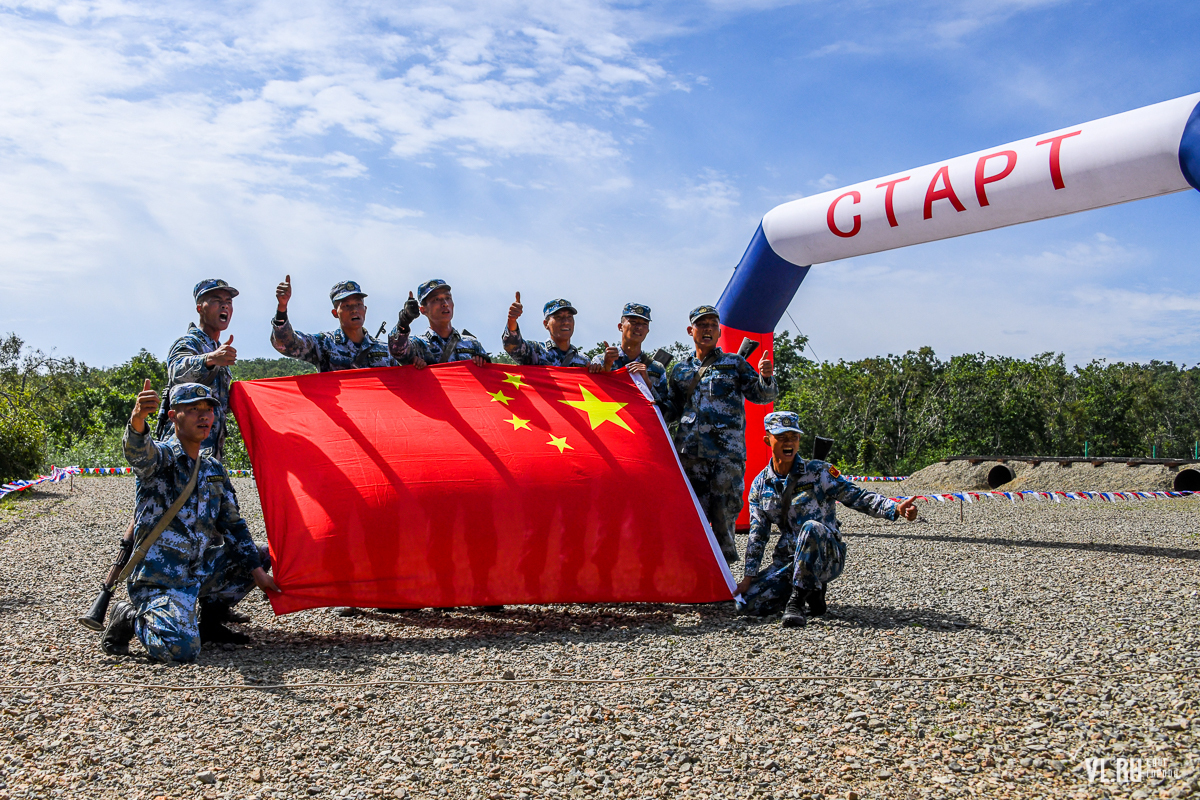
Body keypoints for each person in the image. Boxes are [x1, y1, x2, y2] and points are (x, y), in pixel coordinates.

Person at [102, 382, 280, 661]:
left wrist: (258, 575)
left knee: (258, 554)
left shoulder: (213, 469)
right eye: (194, 409)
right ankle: (131, 616)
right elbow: (139, 452)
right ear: (173, 416)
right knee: (181, 649)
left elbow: (233, 526)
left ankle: (209, 623)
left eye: (208, 409)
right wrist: (138, 419)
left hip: (196, 571)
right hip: (159, 580)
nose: (204, 416)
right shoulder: (162, 459)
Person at [736, 411, 918, 627]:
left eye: (793, 437)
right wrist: (749, 577)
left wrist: (895, 508)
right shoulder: (760, 485)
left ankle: (797, 601)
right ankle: (812, 591)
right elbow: (758, 535)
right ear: (768, 440)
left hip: (827, 555)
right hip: (790, 559)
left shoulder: (818, 472)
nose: (789, 443)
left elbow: (858, 496)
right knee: (746, 605)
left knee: (811, 527)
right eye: (782, 437)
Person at [663, 305, 776, 565]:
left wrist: (766, 378)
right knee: (693, 516)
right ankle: (694, 573)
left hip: (727, 455)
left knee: (724, 516)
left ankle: (723, 577)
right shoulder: (680, 370)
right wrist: (647, 396)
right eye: (702, 325)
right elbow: (671, 410)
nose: (708, 329)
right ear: (691, 330)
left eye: (713, 325)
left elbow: (761, 396)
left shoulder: (735, 363)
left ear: (719, 330)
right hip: (691, 455)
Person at [157, 279, 239, 460]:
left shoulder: (217, 348)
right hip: (182, 454)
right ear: (200, 308)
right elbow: (176, 372)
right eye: (217, 300)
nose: (224, 306)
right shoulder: (188, 343)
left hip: (210, 455)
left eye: (228, 302)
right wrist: (210, 359)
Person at [271, 277, 405, 370]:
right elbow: (287, 344)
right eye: (346, 306)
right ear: (335, 313)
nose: (354, 310)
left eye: (358, 304)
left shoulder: (385, 350)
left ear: (365, 310)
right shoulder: (324, 344)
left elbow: (400, 383)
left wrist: (418, 365)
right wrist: (282, 308)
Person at [389, 279, 490, 366]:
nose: (445, 304)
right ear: (423, 310)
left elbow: (489, 380)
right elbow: (397, 351)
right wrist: (404, 321)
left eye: (448, 298)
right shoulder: (419, 345)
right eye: (436, 299)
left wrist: (485, 364)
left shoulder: (472, 345)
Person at [502, 294, 606, 371]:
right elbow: (513, 346)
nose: (565, 322)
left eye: (569, 317)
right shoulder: (537, 351)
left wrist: (600, 370)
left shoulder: (583, 361)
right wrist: (512, 320)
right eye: (558, 317)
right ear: (546, 324)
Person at [590, 302, 668, 400]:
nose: (639, 327)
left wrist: (648, 384)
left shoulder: (656, 368)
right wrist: (606, 369)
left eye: (644, 324)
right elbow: (590, 397)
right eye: (634, 322)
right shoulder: (600, 360)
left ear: (648, 330)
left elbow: (665, 408)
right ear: (620, 326)